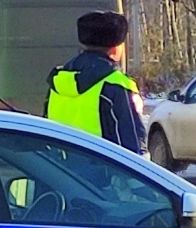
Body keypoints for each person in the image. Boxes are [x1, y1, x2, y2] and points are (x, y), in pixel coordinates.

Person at [46, 11, 145, 154]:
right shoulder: (117, 85)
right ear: (116, 48)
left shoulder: (59, 80)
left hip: (62, 170)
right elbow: (131, 140)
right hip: (103, 171)